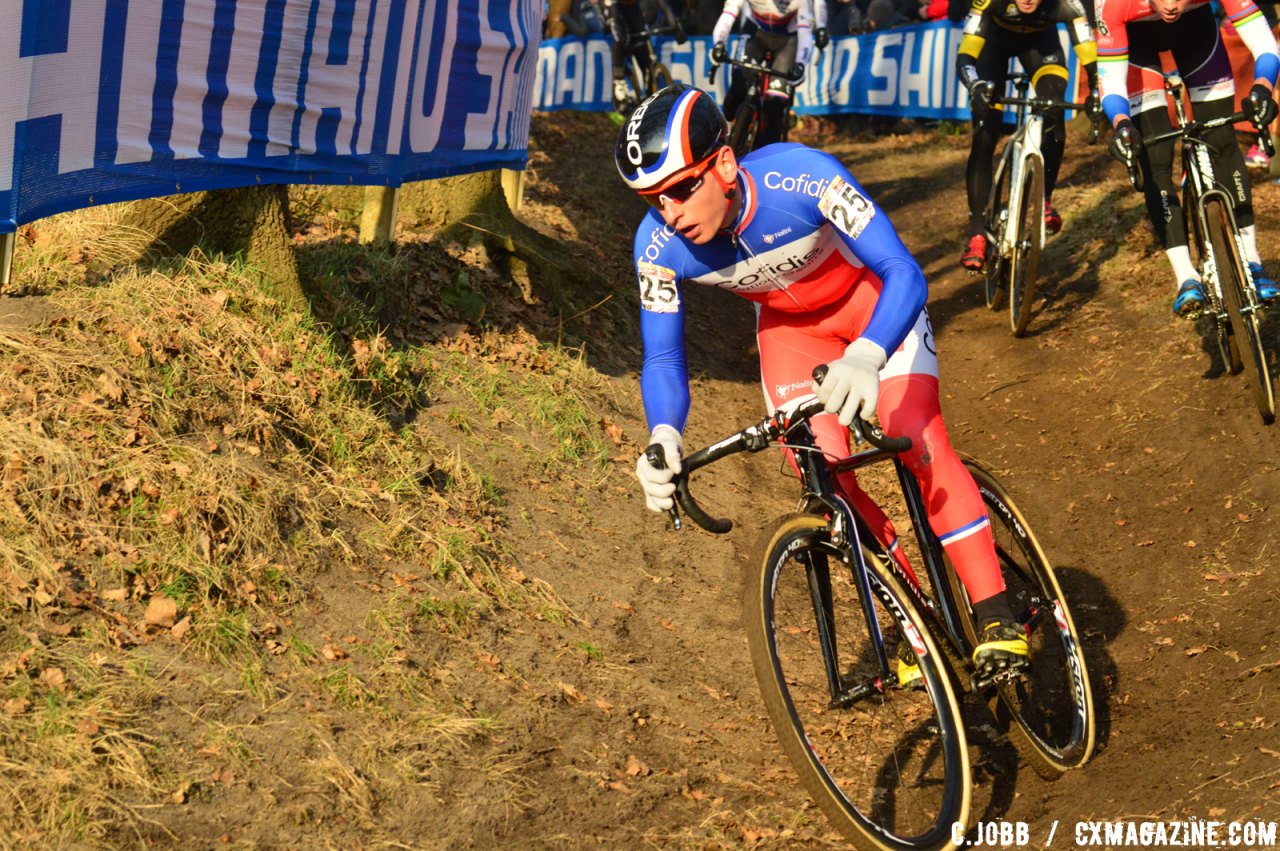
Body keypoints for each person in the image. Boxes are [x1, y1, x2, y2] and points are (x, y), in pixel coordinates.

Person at [616, 84, 1030, 679]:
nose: (671, 213)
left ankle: (995, 612)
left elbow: (903, 272)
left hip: (874, 308)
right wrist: (663, 435)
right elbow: (661, 358)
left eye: (682, 188)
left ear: (725, 165)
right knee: (822, 476)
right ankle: (914, 617)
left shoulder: (803, 176)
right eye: (654, 200)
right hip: (791, 336)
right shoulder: (657, 247)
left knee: (912, 431)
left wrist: (867, 354)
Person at [1099, 0, 1280, 315]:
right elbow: (1112, 81)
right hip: (1138, 47)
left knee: (1223, 140)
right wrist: (1121, 124)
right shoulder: (1116, 3)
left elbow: (1265, 43)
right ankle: (1185, 276)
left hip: (1198, 37)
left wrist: (1262, 88)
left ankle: (1253, 262)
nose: (1171, 5)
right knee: (1156, 161)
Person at [955, 0, 1101, 273]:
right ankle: (976, 234)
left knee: (1054, 110)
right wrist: (975, 85)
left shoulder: (1067, 3)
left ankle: (1044, 201)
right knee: (986, 133)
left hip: (1042, 47)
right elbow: (965, 57)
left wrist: (1096, 88)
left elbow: (1088, 50)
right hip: (993, 47)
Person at [710, 0, 829, 149]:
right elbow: (728, 14)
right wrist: (719, 43)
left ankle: (765, 153)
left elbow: (805, 32)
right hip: (755, 32)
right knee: (739, 85)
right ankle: (725, 128)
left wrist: (800, 63)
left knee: (774, 106)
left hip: (788, 40)